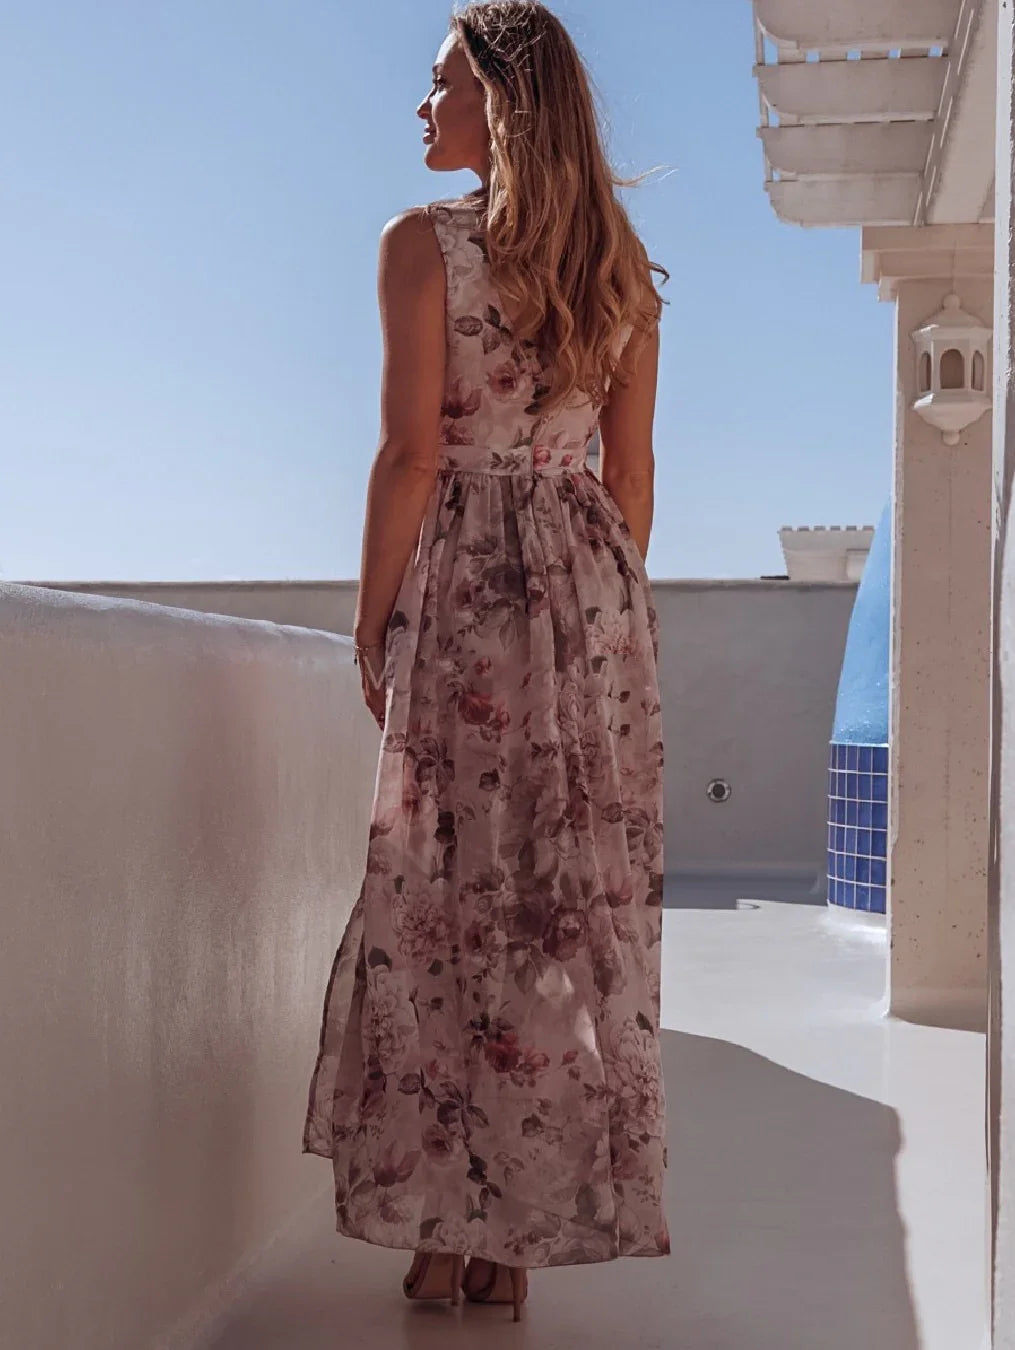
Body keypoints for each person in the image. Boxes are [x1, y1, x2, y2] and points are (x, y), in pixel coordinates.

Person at [302, 0, 670, 1322]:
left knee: (436, 902)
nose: (423, 103)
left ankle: (441, 1224)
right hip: (586, 603)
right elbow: (628, 483)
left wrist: (371, 619)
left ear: (500, 104)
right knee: (549, 917)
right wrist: (599, 632)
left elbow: (412, 454)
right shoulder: (622, 271)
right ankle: (510, 1232)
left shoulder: (424, 249)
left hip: (462, 591)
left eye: (442, 80)